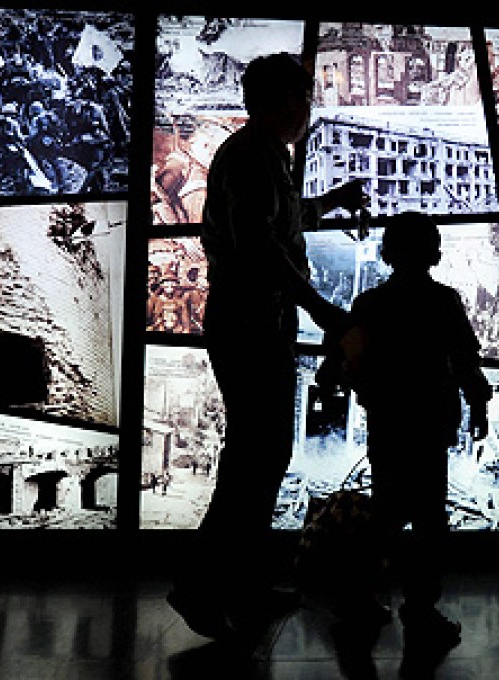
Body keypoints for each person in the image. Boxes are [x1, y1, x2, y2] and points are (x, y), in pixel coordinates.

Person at [166, 52, 368, 643]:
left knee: (262, 456)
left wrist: (330, 202)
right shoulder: (252, 155)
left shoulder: (262, 154)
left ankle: (243, 585)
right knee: (254, 459)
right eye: (304, 96)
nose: (308, 108)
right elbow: (261, 247)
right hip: (250, 323)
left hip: (257, 322)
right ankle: (201, 586)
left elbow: (281, 222)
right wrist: (322, 309)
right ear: (285, 101)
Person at [340, 211, 491, 671]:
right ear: (432, 253)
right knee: (429, 520)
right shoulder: (443, 301)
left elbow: (352, 365)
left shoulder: (369, 304)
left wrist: (372, 394)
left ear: (388, 252)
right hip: (430, 425)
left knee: (385, 514)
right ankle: (420, 610)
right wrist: (478, 407)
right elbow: (465, 360)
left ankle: (358, 599)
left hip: (388, 424)